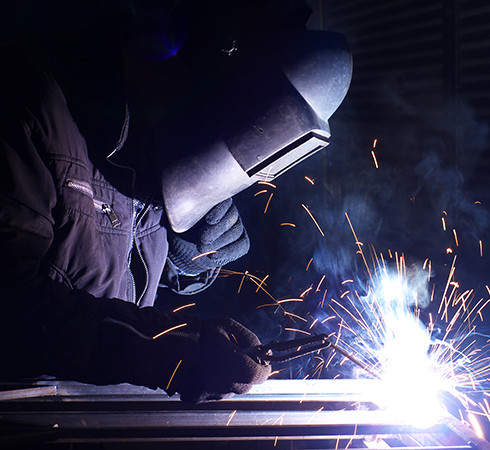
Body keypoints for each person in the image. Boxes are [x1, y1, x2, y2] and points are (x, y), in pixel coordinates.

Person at [0, 0, 351, 402]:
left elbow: (98, 264)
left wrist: (184, 260)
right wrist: (171, 352)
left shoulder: (156, 123)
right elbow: (12, 304)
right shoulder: (27, 100)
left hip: (96, 408)